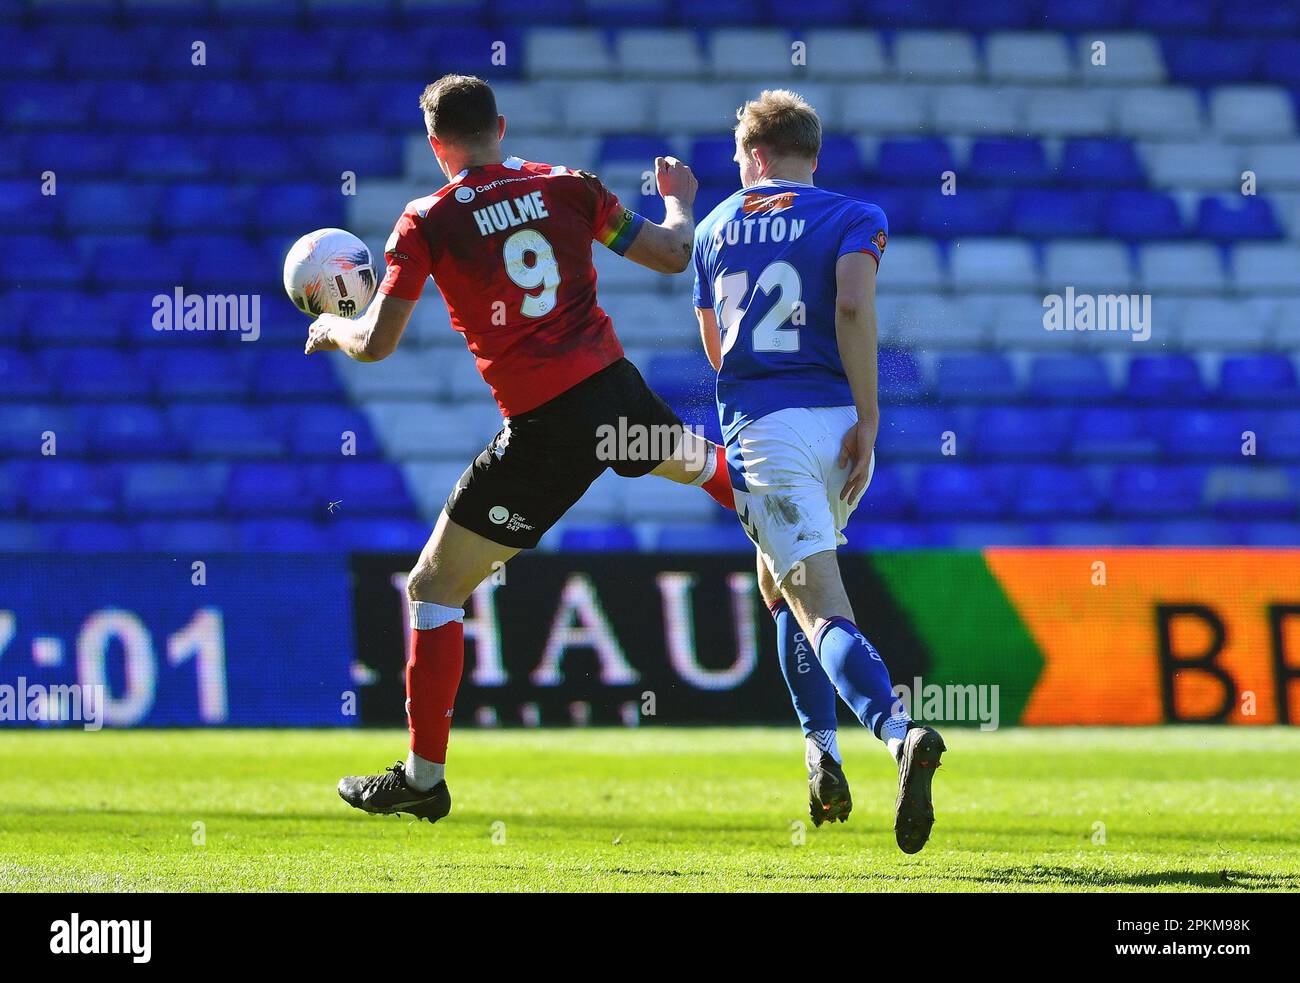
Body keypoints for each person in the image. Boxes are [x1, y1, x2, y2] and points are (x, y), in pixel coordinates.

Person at [305, 74, 734, 824]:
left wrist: (330, 329)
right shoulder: (570, 186)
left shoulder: (426, 219)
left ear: (436, 145)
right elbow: (672, 254)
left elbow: (375, 343)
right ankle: (804, 532)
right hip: (614, 395)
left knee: (433, 588)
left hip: (546, 427)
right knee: (706, 466)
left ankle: (423, 776)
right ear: (499, 126)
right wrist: (679, 197)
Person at [692, 89, 944, 853]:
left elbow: (716, 349)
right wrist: (870, 419)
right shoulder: (854, 214)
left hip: (765, 429)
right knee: (779, 584)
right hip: (835, 428)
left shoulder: (712, 227)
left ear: (754, 155)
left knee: (818, 606)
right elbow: (855, 309)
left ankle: (899, 735)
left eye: (739, 157)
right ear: (813, 156)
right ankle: (820, 751)